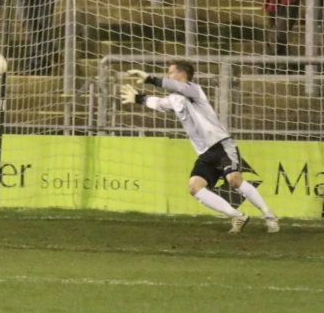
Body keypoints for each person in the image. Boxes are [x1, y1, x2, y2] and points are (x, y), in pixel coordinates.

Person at [120, 61, 280, 234]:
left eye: (170, 72)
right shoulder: (175, 99)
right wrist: (138, 98)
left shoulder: (194, 90)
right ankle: (238, 216)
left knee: (234, 180)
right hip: (204, 154)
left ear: (182, 74)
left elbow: (174, 86)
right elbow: (159, 104)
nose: (168, 76)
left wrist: (151, 79)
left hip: (222, 146)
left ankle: (269, 215)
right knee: (194, 187)